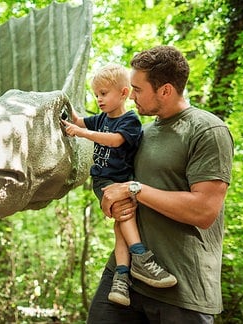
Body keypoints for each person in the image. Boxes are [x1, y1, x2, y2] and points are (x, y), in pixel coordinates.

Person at [86, 46, 234, 323]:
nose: (131, 95)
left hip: (182, 285)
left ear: (165, 90)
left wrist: (134, 189)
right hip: (125, 279)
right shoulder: (139, 132)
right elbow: (114, 183)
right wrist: (111, 203)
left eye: (138, 89)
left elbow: (203, 211)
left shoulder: (207, 131)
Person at [62, 63, 176, 308]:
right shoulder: (100, 119)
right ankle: (141, 257)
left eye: (103, 93)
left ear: (123, 93)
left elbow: (115, 141)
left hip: (124, 181)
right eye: (96, 95)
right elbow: (79, 120)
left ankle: (121, 277)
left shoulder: (130, 121)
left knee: (122, 225)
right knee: (125, 218)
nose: (99, 99)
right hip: (104, 181)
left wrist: (82, 134)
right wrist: (63, 102)